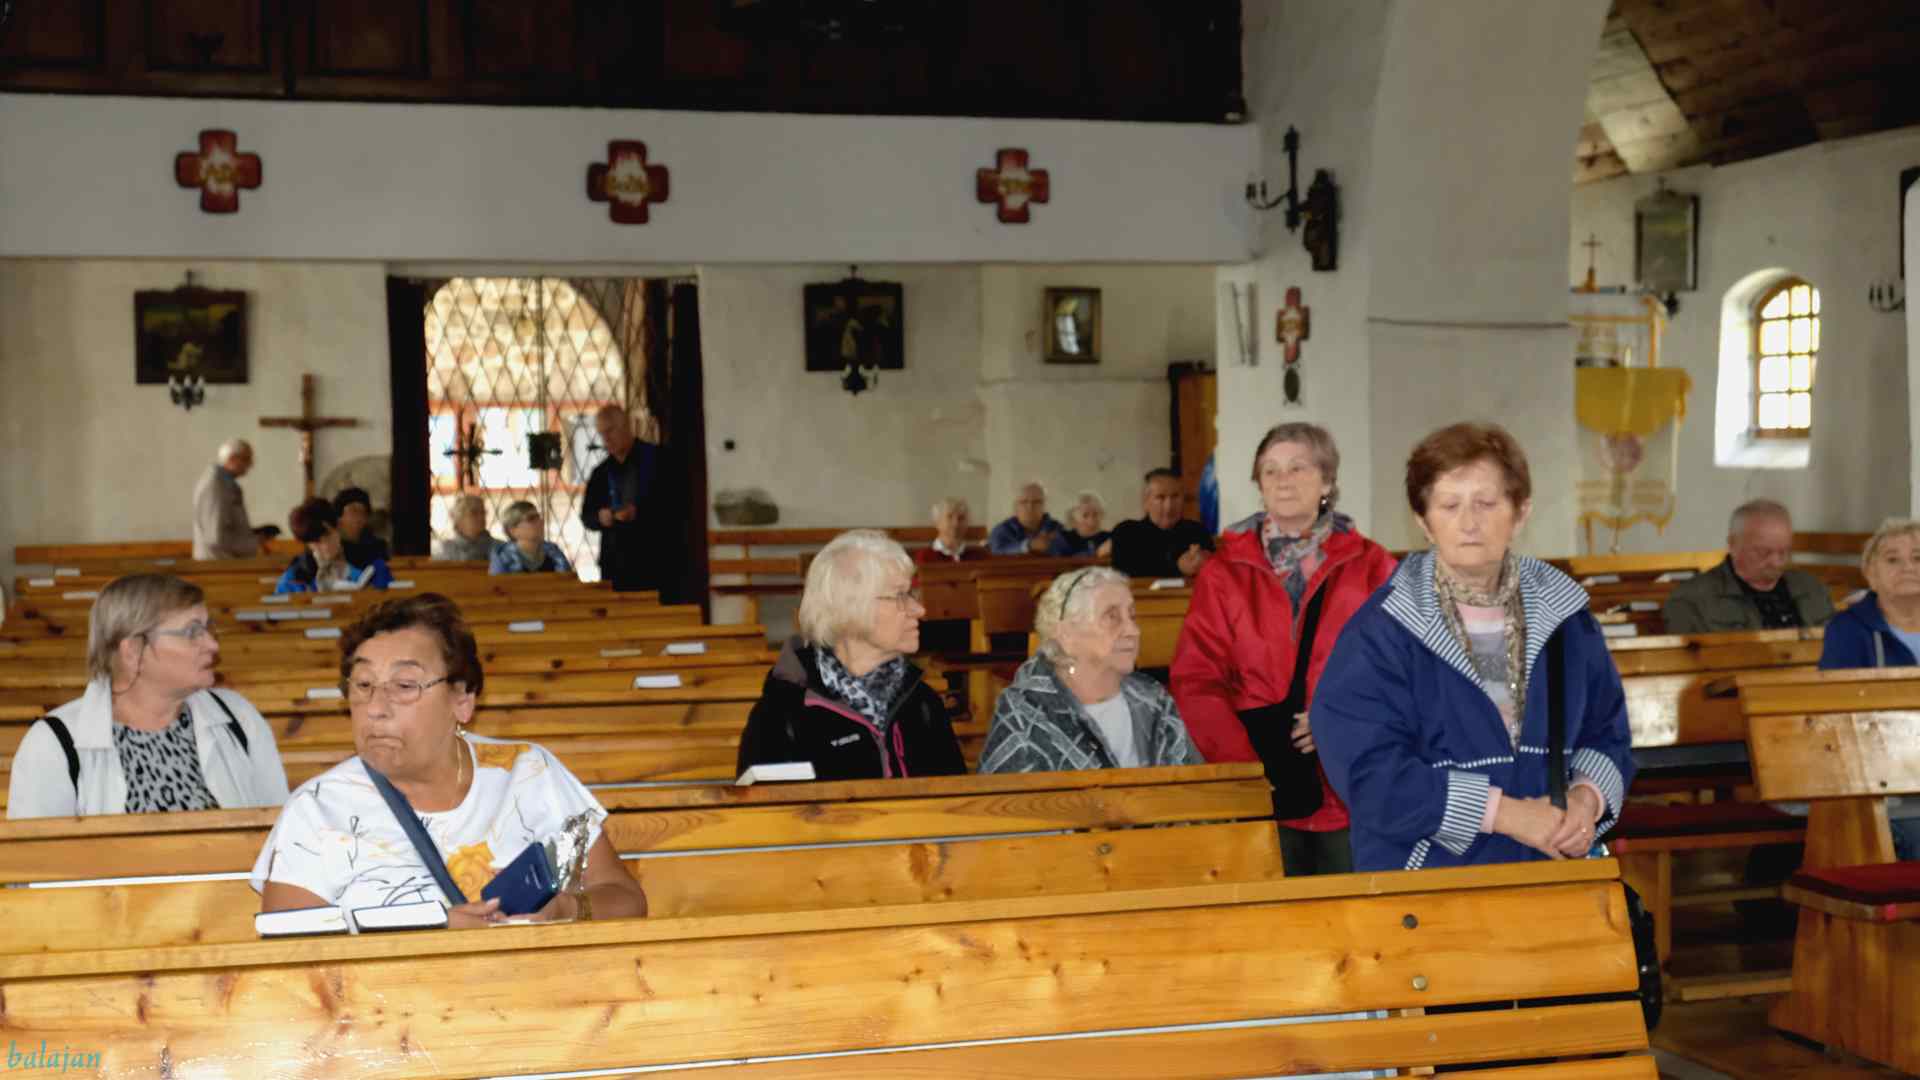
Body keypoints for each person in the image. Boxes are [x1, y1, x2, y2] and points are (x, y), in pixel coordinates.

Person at [1313, 422, 1635, 872]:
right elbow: (1370, 774)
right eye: (1449, 505)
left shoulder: (1567, 619)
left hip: (1549, 871)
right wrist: (1506, 814)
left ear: (1520, 513)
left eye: (1486, 503)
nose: (1468, 523)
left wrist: (1586, 799)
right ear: (1424, 522)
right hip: (1427, 879)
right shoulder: (1383, 632)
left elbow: (1607, 732)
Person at [253, 594, 649, 926]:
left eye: (404, 685)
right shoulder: (318, 808)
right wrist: (432, 932)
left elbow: (626, 900)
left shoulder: (529, 773)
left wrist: (565, 909)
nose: (375, 707)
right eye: (363, 685)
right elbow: (289, 951)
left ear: (462, 700)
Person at [1170, 423, 1397, 875]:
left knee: (1352, 912)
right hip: (1261, 783)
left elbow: (1402, 669)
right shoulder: (1224, 572)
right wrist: (1246, 769)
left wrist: (1341, 720)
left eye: (1298, 467)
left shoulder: (1372, 566)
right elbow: (1196, 678)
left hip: (1350, 783)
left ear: (1327, 481)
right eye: (1270, 470)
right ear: (1258, 484)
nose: (1283, 480)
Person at [8, 574, 288, 818]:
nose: (212, 644)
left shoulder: (237, 717)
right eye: (192, 632)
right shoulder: (54, 743)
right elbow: (36, 858)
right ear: (132, 651)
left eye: (208, 628)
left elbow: (283, 835)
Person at [736, 530, 966, 780]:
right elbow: (767, 806)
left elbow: (957, 801)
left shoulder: (923, 703)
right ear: (849, 608)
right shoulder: (782, 715)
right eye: (900, 596)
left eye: (912, 594)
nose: (919, 609)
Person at [981, 567, 1201, 773]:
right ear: (1066, 633)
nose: (1133, 630)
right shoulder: (1025, 712)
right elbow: (1005, 797)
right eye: (1112, 617)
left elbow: (1193, 787)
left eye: (1132, 616)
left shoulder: (1153, 699)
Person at [1818, 520, 1920, 859]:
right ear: (1870, 574)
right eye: (1892, 559)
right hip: (1882, 779)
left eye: (1918, 558)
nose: (1908, 567)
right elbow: (1840, 717)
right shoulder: (1849, 630)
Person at [1662, 499, 1836, 634]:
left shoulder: (1813, 590)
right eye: (1763, 553)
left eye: (1784, 552)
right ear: (1733, 544)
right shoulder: (1692, 600)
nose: (1776, 562)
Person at [581, 404, 663, 593]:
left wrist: (640, 512)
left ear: (627, 426)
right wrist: (601, 517)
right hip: (616, 564)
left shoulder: (658, 460)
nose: (606, 439)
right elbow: (587, 516)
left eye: (610, 431)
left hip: (655, 559)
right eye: (602, 434)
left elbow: (677, 505)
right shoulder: (600, 473)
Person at [1109, 468, 1213, 578]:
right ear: (1146, 502)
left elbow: (1215, 570)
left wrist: (1204, 561)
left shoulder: (1197, 531)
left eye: (1175, 496)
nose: (1169, 506)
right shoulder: (1126, 532)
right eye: (1160, 497)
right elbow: (1123, 572)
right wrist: (1178, 566)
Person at [275, 497, 393, 594]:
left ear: (338, 527)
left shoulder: (370, 561)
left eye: (328, 535)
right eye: (316, 542)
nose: (325, 546)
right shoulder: (295, 576)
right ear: (308, 544)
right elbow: (280, 610)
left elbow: (389, 600)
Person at [192, 439, 274, 559]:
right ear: (232, 459)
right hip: (217, 562)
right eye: (246, 459)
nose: (251, 464)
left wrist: (252, 534)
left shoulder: (226, 484)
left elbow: (225, 525)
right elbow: (216, 537)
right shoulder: (215, 486)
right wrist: (254, 543)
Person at [490, 501, 573, 575]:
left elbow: (568, 582)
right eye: (531, 519)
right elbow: (498, 585)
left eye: (538, 517)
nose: (540, 521)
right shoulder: (503, 556)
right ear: (513, 530)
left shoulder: (553, 551)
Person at [988, 482, 1061, 555]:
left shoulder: (1056, 528)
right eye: (1024, 502)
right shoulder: (1002, 530)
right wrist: (1028, 545)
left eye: (1037, 502)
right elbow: (997, 553)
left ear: (1044, 506)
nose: (1030, 507)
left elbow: (1065, 553)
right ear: (1015, 507)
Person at [915, 496, 988, 565]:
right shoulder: (925, 557)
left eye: (961, 518)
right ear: (937, 522)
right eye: (949, 517)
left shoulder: (978, 556)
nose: (956, 523)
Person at [333, 487, 391, 567]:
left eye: (363, 513)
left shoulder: (377, 547)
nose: (359, 518)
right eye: (354, 511)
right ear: (339, 517)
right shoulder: (332, 547)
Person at [435, 494, 501, 562]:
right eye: (474, 513)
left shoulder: (500, 548)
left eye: (483, 512)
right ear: (459, 518)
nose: (481, 517)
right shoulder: (444, 551)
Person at [1049, 491, 1112, 558]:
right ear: (1073, 518)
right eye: (1085, 515)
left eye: (1095, 514)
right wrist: (1096, 553)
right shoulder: (1063, 539)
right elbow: (1063, 561)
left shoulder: (1110, 538)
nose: (1091, 520)